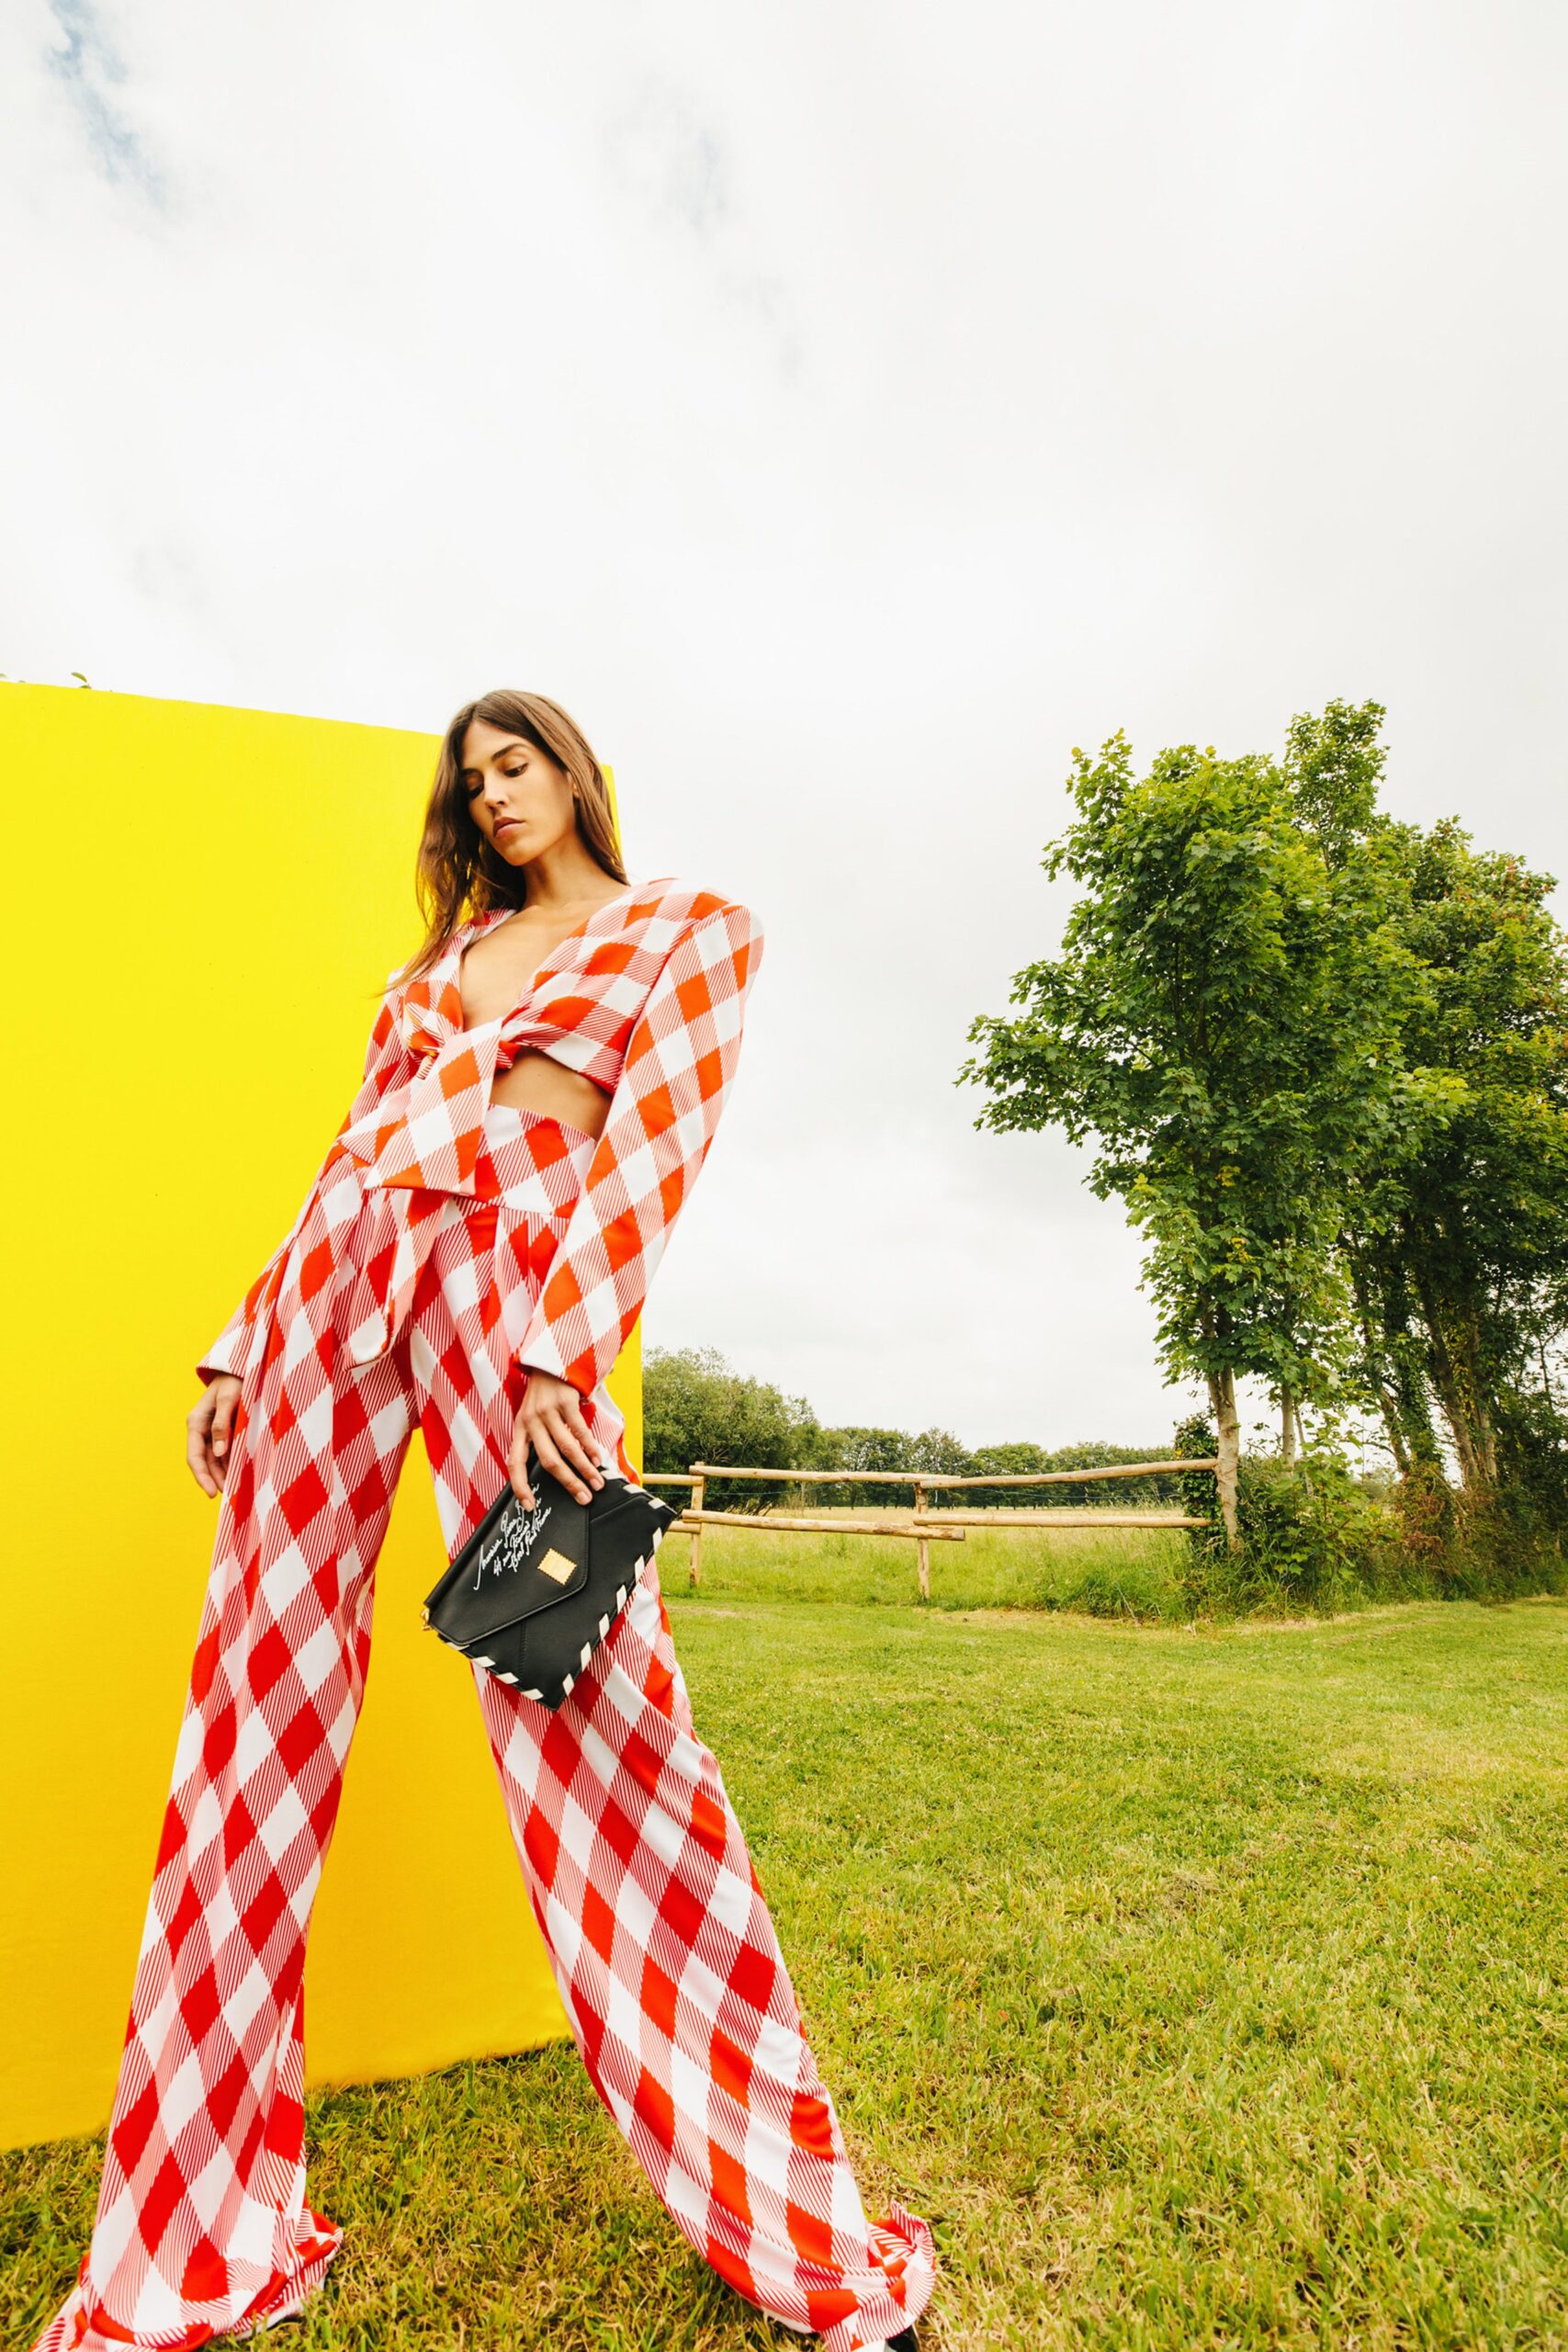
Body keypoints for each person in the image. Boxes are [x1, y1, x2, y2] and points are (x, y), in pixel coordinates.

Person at [32, 690, 933, 2352]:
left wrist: (556, 1355)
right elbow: (346, 1159)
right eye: (473, 782)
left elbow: (651, 1153)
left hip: (514, 1307)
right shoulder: (426, 976)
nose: (496, 798)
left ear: (576, 766)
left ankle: (782, 2210)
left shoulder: (688, 931)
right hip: (334, 1306)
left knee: (596, 1713)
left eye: (516, 764)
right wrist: (243, 1342)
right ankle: (187, 2234)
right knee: (250, 1724)